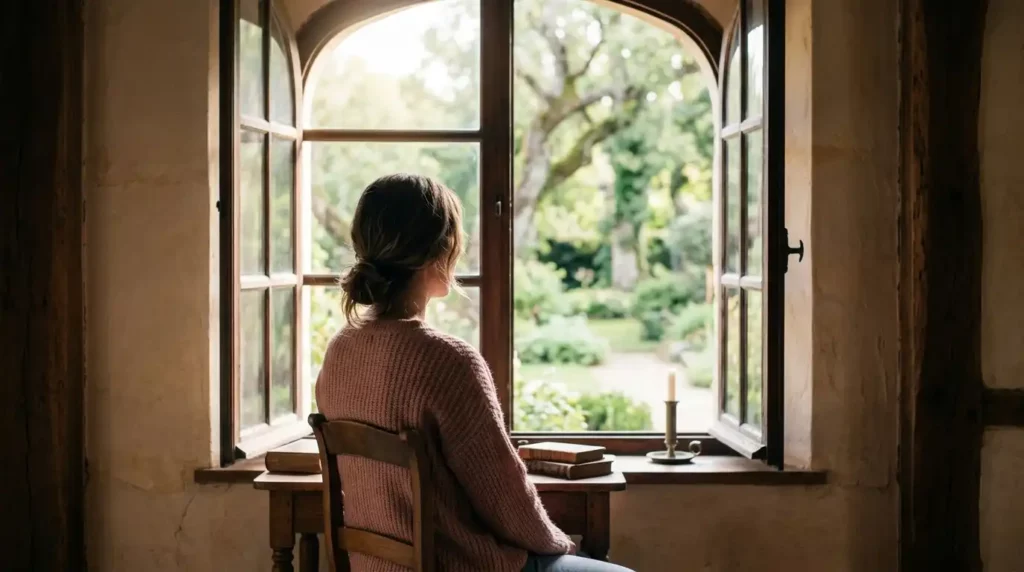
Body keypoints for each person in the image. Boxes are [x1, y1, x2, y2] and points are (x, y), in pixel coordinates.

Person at [316, 174, 634, 572]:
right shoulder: (447, 360)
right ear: (440, 249)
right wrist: (557, 544)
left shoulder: (339, 350)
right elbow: (503, 495)